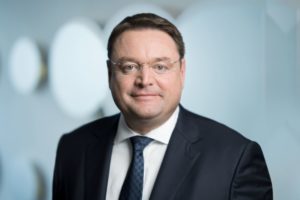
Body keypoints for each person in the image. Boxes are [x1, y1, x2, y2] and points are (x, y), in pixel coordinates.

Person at [52, 13, 273, 200]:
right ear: (110, 74)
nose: (145, 80)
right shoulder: (73, 148)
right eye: (129, 67)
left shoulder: (235, 159)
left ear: (182, 71)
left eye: (160, 66)